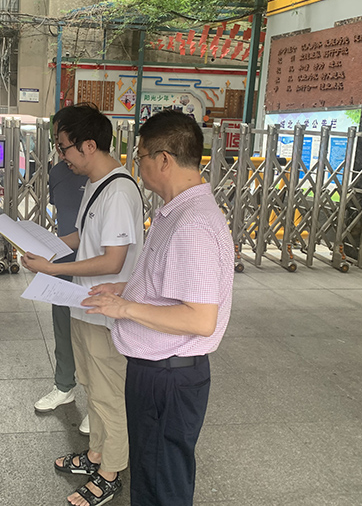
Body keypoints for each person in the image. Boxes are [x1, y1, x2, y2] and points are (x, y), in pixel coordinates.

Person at [83, 110, 234, 506]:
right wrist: (126, 289)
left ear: (163, 159)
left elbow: (200, 318)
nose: (137, 166)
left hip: (168, 376)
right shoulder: (177, 213)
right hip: (159, 370)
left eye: (140, 157)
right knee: (152, 475)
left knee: (161, 483)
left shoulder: (192, 225)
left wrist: (124, 309)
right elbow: (168, 285)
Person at [22, 104, 143, 506]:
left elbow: (113, 260)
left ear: (88, 145)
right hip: (85, 303)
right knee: (92, 386)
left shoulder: (119, 191)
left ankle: (110, 473)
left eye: (64, 147)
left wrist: (54, 269)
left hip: (105, 309)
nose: (62, 157)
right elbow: (80, 236)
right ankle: (96, 455)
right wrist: (47, 249)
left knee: (109, 395)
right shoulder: (96, 182)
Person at [33, 107, 89, 435]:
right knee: (62, 325)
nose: (59, 148)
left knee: (95, 336)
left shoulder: (106, 180)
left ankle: (98, 402)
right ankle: (63, 385)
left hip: (98, 269)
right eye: (56, 141)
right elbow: (65, 221)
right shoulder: (57, 173)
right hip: (63, 262)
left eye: (62, 141)